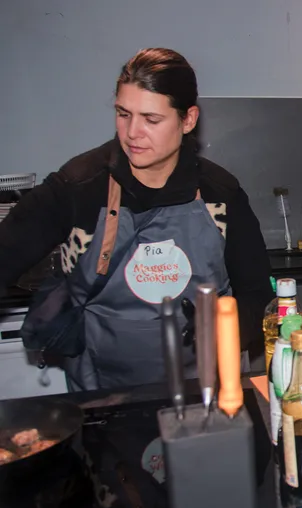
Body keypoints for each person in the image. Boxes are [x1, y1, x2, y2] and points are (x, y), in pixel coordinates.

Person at [0, 48, 273, 390]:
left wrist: (225, 326)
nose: (132, 133)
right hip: (104, 397)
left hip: (206, 393)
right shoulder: (79, 187)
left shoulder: (220, 193)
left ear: (187, 120)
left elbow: (258, 292)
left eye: (151, 119)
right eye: (123, 114)